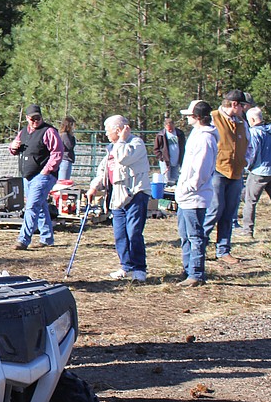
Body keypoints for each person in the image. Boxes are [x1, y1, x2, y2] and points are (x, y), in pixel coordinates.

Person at [87, 115, 151, 281]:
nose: (106, 134)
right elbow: (104, 170)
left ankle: (139, 268)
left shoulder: (136, 143)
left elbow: (124, 158)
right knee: (120, 233)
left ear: (118, 130)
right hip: (117, 195)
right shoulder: (111, 148)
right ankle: (126, 266)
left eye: (108, 131)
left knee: (134, 232)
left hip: (136, 193)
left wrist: (122, 140)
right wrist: (94, 187)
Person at [174, 100, 219, 287]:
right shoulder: (198, 134)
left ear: (198, 117)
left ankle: (196, 273)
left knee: (195, 235)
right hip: (188, 194)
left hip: (195, 195)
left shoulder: (205, 138)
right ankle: (188, 269)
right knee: (186, 234)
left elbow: (201, 168)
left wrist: (189, 186)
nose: (188, 119)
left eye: (190, 116)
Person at [204, 90, 250, 264]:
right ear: (234, 105)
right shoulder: (214, 118)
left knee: (229, 213)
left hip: (236, 173)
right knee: (214, 210)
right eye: (243, 106)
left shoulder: (241, 122)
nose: (244, 109)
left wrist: (245, 160)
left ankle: (223, 250)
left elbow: (248, 143)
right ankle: (199, 245)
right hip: (217, 171)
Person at [9, 104, 63, 250]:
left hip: (43, 176)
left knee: (31, 207)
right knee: (40, 206)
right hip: (27, 176)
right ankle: (47, 238)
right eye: (32, 118)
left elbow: (57, 153)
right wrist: (13, 147)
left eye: (38, 118)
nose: (35, 121)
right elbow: (13, 149)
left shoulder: (49, 131)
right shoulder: (23, 133)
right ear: (27, 118)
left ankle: (23, 240)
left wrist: (47, 170)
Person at [241, 106, 271, 238]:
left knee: (250, 201)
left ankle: (247, 231)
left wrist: (248, 167)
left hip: (259, 171)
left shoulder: (254, 132)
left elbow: (253, 152)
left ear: (251, 119)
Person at [154, 116, 186, 185]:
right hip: (165, 161)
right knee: (166, 179)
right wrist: (161, 158)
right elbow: (156, 149)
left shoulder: (180, 134)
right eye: (169, 129)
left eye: (172, 129)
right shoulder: (161, 135)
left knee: (175, 179)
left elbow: (183, 146)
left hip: (177, 160)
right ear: (165, 127)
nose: (170, 130)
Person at [58, 116, 77, 182]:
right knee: (63, 182)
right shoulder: (65, 135)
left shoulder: (64, 135)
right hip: (65, 160)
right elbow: (69, 146)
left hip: (65, 160)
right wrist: (72, 136)